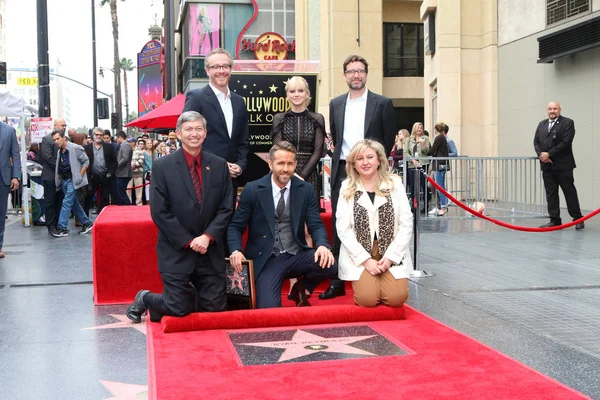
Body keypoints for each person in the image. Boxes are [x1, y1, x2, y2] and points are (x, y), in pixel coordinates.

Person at [125, 111, 234, 323]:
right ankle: (146, 298)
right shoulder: (162, 166)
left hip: (209, 250)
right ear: (178, 133)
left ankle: (187, 298)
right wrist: (188, 241)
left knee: (215, 311)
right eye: (189, 129)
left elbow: (227, 207)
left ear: (205, 133)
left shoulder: (219, 165)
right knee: (178, 308)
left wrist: (208, 236)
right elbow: (159, 211)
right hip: (176, 250)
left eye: (199, 129)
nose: (194, 134)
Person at [227, 141, 337, 309]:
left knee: (330, 264)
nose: (285, 168)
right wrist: (236, 250)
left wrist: (322, 245)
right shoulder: (253, 189)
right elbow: (236, 226)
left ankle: (301, 288)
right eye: (280, 163)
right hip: (267, 258)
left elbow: (315, 224)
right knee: (269, 310)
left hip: (296, 254)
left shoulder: (305, 189)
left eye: (289, 163)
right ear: (270, 164)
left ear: (295, 164)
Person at [324, 54, 396, 300]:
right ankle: (336, 280)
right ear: (344, 75)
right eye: (351, 71)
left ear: (366, 74)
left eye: (360, 71)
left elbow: (386, 140)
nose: (356, 75)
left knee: (372, 220)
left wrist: (371, 164)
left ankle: (376, 271)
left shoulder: (382, 103)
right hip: (344, 170)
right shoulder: (335, 104)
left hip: (370, 170)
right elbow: (336, 135)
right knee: (340, 224)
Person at [336, 139, 412, 307]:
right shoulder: (346, 187)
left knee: (395, 299)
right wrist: (365, 260)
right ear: (353, 164)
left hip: (391, 251)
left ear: (379, 160)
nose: (365, 162)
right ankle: (372, 283)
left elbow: (406, 223)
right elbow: (343, 229)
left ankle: (385, 282)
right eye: (359, 158)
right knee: (367, 300)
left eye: (370, 157)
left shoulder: (395, 184)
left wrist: (391, 257)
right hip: (361, 253)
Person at [182, 48, 250, 206]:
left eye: (225, 66)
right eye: (216, 67)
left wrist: (240, 166)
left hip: (231, 181)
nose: (221, 71)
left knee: (228, 224)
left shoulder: (239, 102)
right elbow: (189, 139)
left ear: (231, 69)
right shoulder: (196, 97)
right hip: (204, 177)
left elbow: (243, 141)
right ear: (207, 70)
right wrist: (218, 165)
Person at [271, 76, 325, 197]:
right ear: (287, 95)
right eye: (292, 91)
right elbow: (277, 150)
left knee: (309, 213)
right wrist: (290, 173)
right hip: (284, 173)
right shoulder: (279, 118)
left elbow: (318, 151)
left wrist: (302, 176)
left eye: (300, 91)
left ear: (307, 94)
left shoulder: (317, 118)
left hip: (310, 175)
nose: (296, 94)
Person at [534, 102, 584, 230]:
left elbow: (566, 142)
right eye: (550, 109)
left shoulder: (567, 123)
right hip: (547, 167)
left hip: (563, 166)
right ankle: (555, 220)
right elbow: (536, 142)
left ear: (559, 110)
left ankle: (578, 219)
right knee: (551, 194)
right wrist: (542, 156)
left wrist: (549, 154)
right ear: (547, 110)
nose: (552, 111)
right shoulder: (542, 124)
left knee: (569, 192)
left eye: (555, 108)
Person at [52, 130, 94, 237]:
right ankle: (87, 223)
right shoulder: (59, 151)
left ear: (64, 138)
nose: (56, 141)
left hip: (73, 180)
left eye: (58, 139)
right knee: (74, 203)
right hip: (65, 180)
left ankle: (62, 227)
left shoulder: (75, 148)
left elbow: (86, 161)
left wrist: (80, 175)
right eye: (54, 140)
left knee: (66, 203)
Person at [40, 118, 66, 236]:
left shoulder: (66, 140)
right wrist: (62, 166)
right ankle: (51, 226)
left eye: (65, 125)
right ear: (55, 125)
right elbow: (48, 157)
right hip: (50, 176)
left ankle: (58, 225)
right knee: (50, 202)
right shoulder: (47, 139)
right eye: (62, 125)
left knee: (59, 202)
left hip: (62, 177)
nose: (64, 127)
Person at [84, 127, 117, 216]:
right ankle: (84, 219)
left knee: (104, 198)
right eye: (96, 134)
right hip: (92, 177)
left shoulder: (109, 147)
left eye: (100, 135)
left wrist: (111, 173)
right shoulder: (87, 148)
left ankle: (103, 217)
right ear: (93, 135)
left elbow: (114, 161)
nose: (98, 136)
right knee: (88, 196)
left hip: (106, 176)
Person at [0, 122, 21, 258]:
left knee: (1, 214)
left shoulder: (9, 131)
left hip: (3, 178)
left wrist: (16, 176)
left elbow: (16, 155)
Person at [403, 122, 431, 212]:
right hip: (412, 165)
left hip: (423, 164)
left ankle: (426, 205)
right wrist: (413, 160)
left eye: (421, 128)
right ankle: (414, 205)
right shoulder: (409, 139)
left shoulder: (425, 138)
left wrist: (423, 144)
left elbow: (426, 151)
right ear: (414, 128)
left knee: (424, 185)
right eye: (418, 128)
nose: (420, 129)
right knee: (413, 186)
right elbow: (406, 152)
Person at [428, 123, 450, 217]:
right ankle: (443, 205)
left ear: (437, 129)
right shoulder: (443, 138)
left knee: (440, 187)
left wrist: (426, 150)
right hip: (442, 164)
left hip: (439, 165)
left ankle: (443, 207)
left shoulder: (439, 138)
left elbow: (432, 150)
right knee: (441, 186)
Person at [114, 132, 133, 205]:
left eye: (117, 138)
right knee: (121, 192)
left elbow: (125, 158)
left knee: (122, 193)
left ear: (120, 138)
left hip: (123, 173)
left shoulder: (126, 145)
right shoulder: (124, 145)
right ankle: (125, 205)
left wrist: (117, 165)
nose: (116, 140)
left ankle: (128, 205)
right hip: (122, 173)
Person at [128, 138, 145, 206]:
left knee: (139, 189)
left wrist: (135, 165)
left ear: (134, 142)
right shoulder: (127, 150)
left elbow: (142, 160)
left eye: (131, 142)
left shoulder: (139, 150)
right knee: (128, 189)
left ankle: (139, 203)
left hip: (138, 172)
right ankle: (129, 202)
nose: (130, 143)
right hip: (128, 172)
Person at [143, 139, 155, 203]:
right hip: (147, 171)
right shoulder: (144, 153)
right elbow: (146, 163)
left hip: (154, 171)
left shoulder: (155, 152)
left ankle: (153, 199)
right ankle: (148, 200)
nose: (150, 144)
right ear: (146, 145)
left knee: (154, 186)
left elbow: (156, 161)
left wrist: (153, 169)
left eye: (150, 143)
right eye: (148, 143)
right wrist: (150, 170)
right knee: (147, 186)